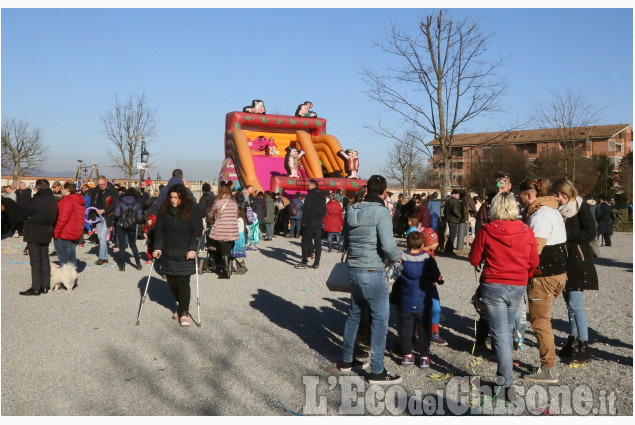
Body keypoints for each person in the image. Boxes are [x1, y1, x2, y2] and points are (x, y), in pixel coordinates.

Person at [468, 192, 539, 402]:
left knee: (500, 334)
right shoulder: (526, 231)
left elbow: (474, 258)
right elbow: (534, 261)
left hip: (494, 284)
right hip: (517, 284)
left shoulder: (487, 230)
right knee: (506, 332)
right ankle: (503, 379)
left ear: (495, 208)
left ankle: (506, 385)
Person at [340, 175, 402, 385]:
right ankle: (377, 370)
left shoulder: (351, 210)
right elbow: (387, 245)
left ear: (367, 191)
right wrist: (397, 260)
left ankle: (347, 360)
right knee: (379, 320)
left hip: (354, 268)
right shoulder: (381, 212)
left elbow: (345, 241)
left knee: (354, 315)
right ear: (384, 192)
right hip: (373, 269)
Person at [517, 179, 568, 384]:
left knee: (540, 322)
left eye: (521, 197)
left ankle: (548, 368)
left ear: (529, 195)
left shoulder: (541, 215)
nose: (520, 201)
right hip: (557, 274)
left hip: (544, 277)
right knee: (543, 320)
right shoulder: (552, 211)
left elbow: (534, 251)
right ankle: (548, 364)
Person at [553, 178, 599, 366]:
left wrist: (566, 235)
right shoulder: (557, 211)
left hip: (579, 261)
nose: (560, 198)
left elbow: (590, 233)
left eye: (563, 194)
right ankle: (572, 339)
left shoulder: (580, 207)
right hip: (564, 260)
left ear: (570, 193)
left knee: (575, 303)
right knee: (569, 303)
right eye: (557, 194)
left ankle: (583, 343)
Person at [153, 184, 203, 326]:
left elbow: (196, 231)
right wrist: (158, 248)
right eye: (171, 197)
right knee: (172, 282)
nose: (173, 200)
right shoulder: (164, 211)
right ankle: (183, 304)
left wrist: (193, 249)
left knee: (183, 282)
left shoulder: (191, 211)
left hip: (185, 253)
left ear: (183, 197)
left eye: (176, 197)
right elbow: (159, 232)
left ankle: (183, 313)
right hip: (168, 253)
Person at [395, 231, 441, 368]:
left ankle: (407, 355)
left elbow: (392, 276)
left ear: (406, 243)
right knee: (424, 328)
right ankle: (424, 357)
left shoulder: (401, 258)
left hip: (405, 300)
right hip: (423, 300)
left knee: (405, 328)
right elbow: (436, 275)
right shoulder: (428, 259)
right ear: (422, 245)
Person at [19, 179, 59, 296]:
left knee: (35, 261)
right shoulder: (53, 200)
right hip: (47, 230)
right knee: (45, 258)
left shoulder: (36, 200)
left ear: (37, 188)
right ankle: (45, 285)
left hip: (34, 231)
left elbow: (23, 213)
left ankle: (36, 287)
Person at [207, 182, 239, 279]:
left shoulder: (217, 201)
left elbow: (210, 214)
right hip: (232, 229)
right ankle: (227, 261)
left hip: (220, 229)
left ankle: (223, 267)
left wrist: (211, 220)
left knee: (213, 242)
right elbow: (236, 215)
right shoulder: (234, 202)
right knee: (228, 245)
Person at [421, 227, 447, 346]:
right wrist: (438, 278)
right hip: (422, 287)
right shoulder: (420, 255)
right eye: (435, 242)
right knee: (420, 310)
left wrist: (438, 278)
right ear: (429, 243)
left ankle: (435, 332)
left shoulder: (431, 252)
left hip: (431, 285)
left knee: (436, 309)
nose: (437, 244)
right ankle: (416, 332)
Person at [53, 181, 86, 268]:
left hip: (64, 234)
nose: (61, 190)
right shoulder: (79, 201)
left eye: (63, 188)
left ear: (67, 190)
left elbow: (61, 219)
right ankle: (72, 278)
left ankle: (67, 280)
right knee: (71, 259)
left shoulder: (66, 201)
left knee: (65, 261)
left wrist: (56, 233)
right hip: (74, 233)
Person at [296, 180, 326, 269]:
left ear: (312, 185)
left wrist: (304, 221)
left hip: (310, 221)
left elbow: (306, 209)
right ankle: (316, 263)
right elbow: (324, 209)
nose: (307, 186)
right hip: (319, 221)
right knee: (318, 243)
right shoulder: (322, 195)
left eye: (308, 185)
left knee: (305, 241)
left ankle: (304, 261)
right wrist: (321, 218)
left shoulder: (310, 195)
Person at [89, 176, 119, 265]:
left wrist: (105, 210)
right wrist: (91, 216)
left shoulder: (113, 191)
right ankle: (105, 257)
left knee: (102, 237)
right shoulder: (96, 191)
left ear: (106, 182)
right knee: (100, 237)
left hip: (108, 216)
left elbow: (115, 205)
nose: (101, 186)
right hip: (98, 216)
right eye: (99, 185)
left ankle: (101, 257)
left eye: (102, 184)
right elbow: (92, 204)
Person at [113, 187, 144, 271]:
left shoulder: (120, 201)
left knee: (122, 245)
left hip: (121, 224)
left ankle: (122, 266)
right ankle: (138, 264)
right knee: (133, 245)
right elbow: (140, 217)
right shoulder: (137, 203)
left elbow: (116, 214)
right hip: (132, 226)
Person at [443, 189, 462, 255]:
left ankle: (447, 249)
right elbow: (455, 210)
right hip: (454, 219)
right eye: (458, 194)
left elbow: (444, 210)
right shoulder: (456, 201)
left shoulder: (448, 201)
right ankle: (449, 250)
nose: (459, 195)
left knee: (451, 234)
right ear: (455, 195)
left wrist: (447, 216)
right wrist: (459, 216)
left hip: (448, 219)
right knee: (452, 235)